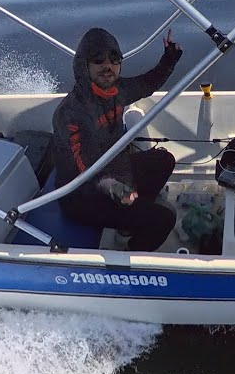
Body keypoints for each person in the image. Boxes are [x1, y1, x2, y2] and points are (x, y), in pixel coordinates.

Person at [51, 27, 183, 251]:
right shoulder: (71, 113)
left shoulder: (117, 90)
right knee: (164, 219)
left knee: (164, 160)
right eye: (98, 60)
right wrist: (114, 187)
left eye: (114, 59)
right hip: (82, 195)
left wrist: (169, 58)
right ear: (84, 66)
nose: (107, 66)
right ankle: (130, 258)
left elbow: (148, 83)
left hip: (115, 171)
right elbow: (87, 167)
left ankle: (126, 226)